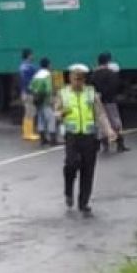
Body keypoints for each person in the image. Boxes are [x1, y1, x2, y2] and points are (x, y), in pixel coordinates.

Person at [55, 64, 99, 215]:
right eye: (75, 78)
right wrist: (61, 114)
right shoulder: (63, 93)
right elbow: (56, 111)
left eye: (81, 79)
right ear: (70, 78)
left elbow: (100, 113)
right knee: (71, 164)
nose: (78, 82)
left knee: (88, 169)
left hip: (89, 136)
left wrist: (109, 130)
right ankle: (68, 191)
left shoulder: (91, 93)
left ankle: (83, 202)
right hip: (72, 136)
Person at [90, 52, 127, 152]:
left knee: (101, 122)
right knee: (115, 121)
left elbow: (91, 88)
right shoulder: (111, 73)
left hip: (98, 101)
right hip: (110, 100)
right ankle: (120, 144)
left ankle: (105, 145)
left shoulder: (94, 74)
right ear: (108, 61)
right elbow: (115, 86)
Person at [29, 57, 56, 145]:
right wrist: (51, 99)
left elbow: (30, 87)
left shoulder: (37, 74)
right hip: (45, 101)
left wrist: (36, 93)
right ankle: (53, 139)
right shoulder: (47, 75)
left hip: (37, 101)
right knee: (51, 118)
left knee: (41, 118)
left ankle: (43, 139)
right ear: (48, 65)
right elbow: (48, 89)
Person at [18, 49, 40, 142]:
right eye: (31, 55)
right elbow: (33, 80)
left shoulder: (22, 66)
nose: (33, 56)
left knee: (28, 112)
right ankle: (28, 133)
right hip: (29, 92)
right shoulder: (30, 67)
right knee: (30, 112)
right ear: (28, 55)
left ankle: (27, 132)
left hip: (24, 92)